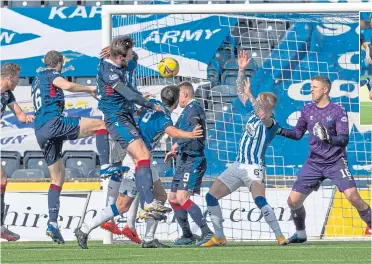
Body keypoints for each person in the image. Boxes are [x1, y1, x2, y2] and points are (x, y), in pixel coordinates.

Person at [75, 85, 203, 249]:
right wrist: (190, 134)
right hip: (136, 160)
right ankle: (84, 229)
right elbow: (173, 132)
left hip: (144, 159)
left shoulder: (152, 103)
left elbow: (136, 105)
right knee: (122, 205)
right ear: (177, 101)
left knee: (160, 197)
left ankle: (149, 239)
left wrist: (142, 97)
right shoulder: (164, 117)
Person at [201, 50, 286, 247]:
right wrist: (240, 71)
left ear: (265, 107)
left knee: (259, 200)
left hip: (253, 168)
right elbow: (240, 93)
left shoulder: (270, 123)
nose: (253, 101)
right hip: (237, 166)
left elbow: (261, 113)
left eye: (258, 101)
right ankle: (219, 236)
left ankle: (280, 235)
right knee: (211, 196)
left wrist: (251, 96)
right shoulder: (253, 112)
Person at [277, 75, 371, 244]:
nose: (311, 90)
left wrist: (328, 138)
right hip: (314, 163)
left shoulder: (338, 111)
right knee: (293, 201)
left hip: (335, 162)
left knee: (353, 197)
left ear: (325, 89)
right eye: (311, 87)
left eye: (314, 87)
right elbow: (297, 134)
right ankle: (300, 233)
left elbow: (344, 140)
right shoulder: (307, 110)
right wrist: (277, 130)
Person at [32, 50, 106, 244]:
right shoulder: (51, 74)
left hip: (40, 130)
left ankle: (53, 223)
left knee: (57, 177)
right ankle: (107, 165)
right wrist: (89, 90)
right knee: (102, 125)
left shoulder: (36, 79)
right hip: (53, 123)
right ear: (59, 64)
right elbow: (67, 85)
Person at [165, 81, 213, 246]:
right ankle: (187, 235)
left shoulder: (193, 108)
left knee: (182, 196)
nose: (177, 100)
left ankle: (207, 232)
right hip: (183, 158)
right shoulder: (186, 110)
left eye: (178, 96)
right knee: (172, 198)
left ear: (184, 94)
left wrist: (193, 130)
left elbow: (195, 125)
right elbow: (182, 132)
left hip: (193, 159)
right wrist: (176, 146)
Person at [1, 62, 34, 241]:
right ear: (9, 78)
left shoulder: (7, 95)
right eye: (17, 79)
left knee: (2, 179)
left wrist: (33, 116)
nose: (18, 82)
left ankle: (0, 226)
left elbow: (21, 116)